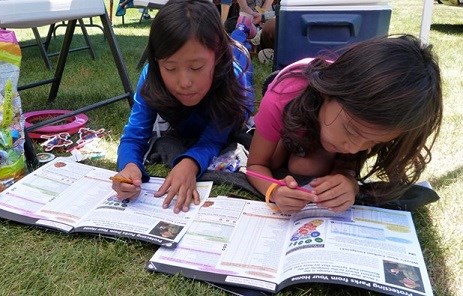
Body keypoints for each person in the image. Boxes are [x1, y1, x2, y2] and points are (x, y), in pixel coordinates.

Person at [246, 34, 443, 214]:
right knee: (276, 161)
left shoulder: (359, 118)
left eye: (372, 142)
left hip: (316, 126)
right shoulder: (283, 96)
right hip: (294, 107)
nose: (354, 148)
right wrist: (274, 191)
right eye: (351, 130)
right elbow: (255, 165)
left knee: (307, 166)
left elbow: (348, 162)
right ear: (327, 93)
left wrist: (349, 182)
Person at [112, 0, 254, 214]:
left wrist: (190, 163)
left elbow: (215, 138)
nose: (184, 82)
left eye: (196, 67)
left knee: (239, 48)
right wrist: (129, 165)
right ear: (157, 61)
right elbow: (134, 135)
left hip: (236, 64)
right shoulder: (151, 76)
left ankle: (243, 28)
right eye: (170, 67)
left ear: (216, 59)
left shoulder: (234, 80)